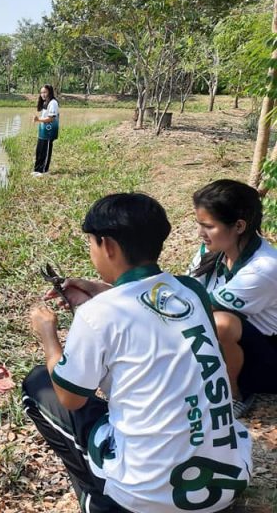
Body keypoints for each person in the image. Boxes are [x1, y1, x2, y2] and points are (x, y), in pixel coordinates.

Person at [22, 193, 251, 513]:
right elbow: (156, 311)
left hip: (147, 496)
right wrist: (104, 290)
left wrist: (48, 334)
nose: (92, 251)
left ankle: (97, 499)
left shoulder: (97, 315)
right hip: (225, 483)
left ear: (109, 246)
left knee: (37, 384)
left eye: (91, 243)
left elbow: (70, 399)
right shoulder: (191, 291)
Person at [190, 179, 277, 418]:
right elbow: (187, 294)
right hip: (239, 348)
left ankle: (234, 394)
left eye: (208, 226)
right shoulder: (211, 251)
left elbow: (198, 309)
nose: (201, 233)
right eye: (199, 224)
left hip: (269, 360)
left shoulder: (264, 268)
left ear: (239, 226)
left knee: (220, 324)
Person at [32, 84, 59, 177]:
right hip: (43, 131)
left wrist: (38, 120)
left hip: (49, 131)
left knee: (45, 151)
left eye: (45, 92)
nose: (43, 94)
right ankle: (37, 169)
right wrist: (38, 119)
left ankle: (44, 171)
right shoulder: (46, 103)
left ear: (50, 92)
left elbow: (51, 119)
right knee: (39, 150)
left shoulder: (53, 103)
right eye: (41, 92)